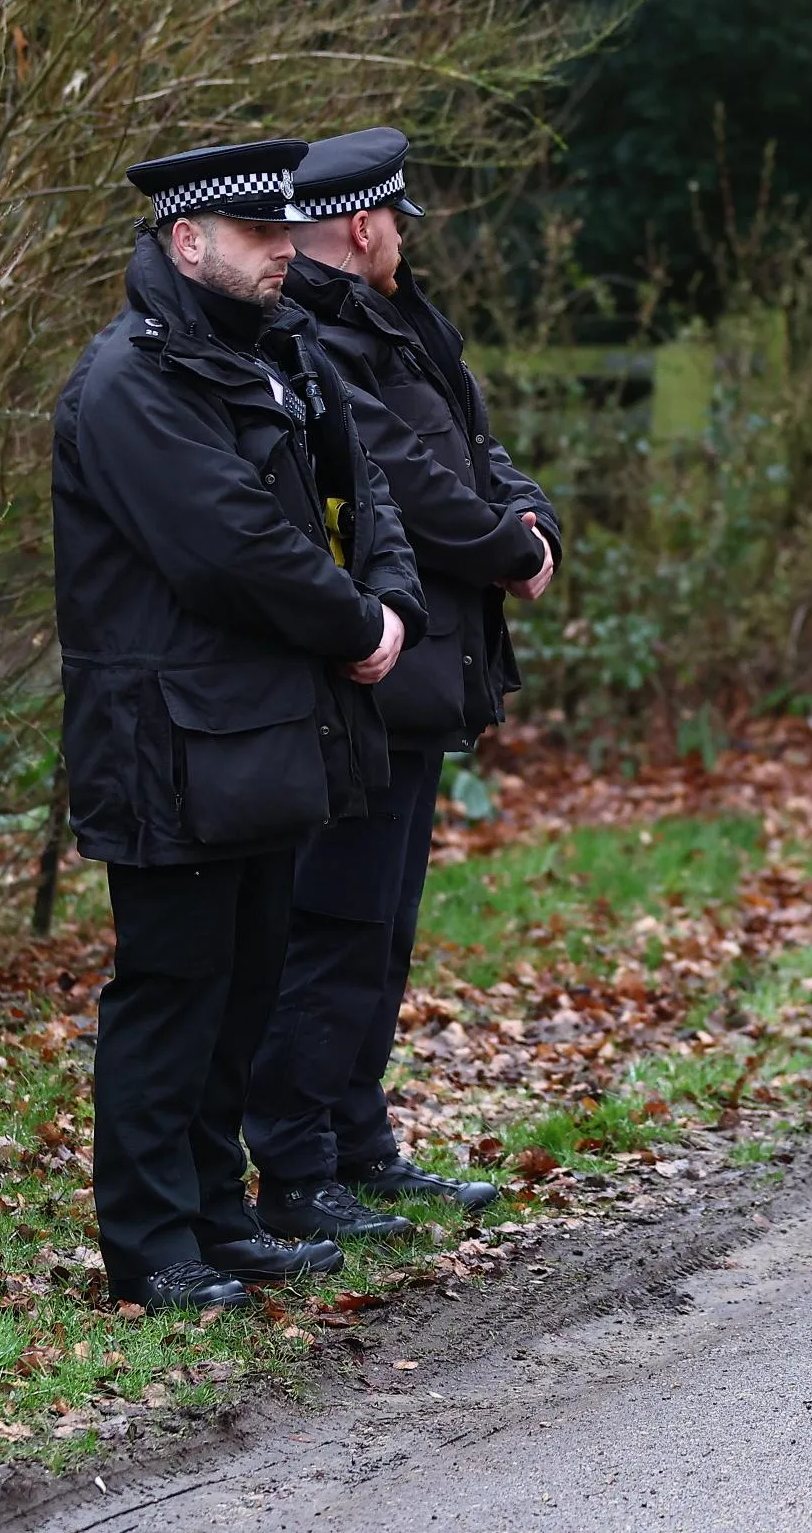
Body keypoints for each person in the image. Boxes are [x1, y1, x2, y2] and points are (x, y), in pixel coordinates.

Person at [51, 136, 430, 1313]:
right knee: (171, 993)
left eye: (283, 229)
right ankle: (151, 1244)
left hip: (264, 735)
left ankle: (218, 1216)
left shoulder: (274, 356)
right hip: (167, 743)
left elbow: (361, 491)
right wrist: (353, 621)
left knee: (243, 988)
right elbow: (229, 546)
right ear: (188, 241)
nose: (282, 251)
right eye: (258, 234)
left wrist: (392, 599)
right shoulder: (131, 382)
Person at [243, 127, 559, 1243]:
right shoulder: (315, 340)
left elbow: (476, 448)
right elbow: (409, 485)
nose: (401, 241)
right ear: (366, 225)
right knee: (334, 926)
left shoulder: (401, 323)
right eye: (397, 223)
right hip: (363, 681)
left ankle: (359, 1144)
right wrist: (509, 549)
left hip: (422, 675)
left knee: (382, 929)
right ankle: (297, 1166)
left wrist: (530, 518)